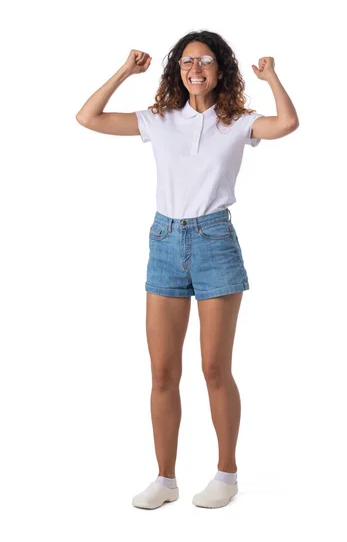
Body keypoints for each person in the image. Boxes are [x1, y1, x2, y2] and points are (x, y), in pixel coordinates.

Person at [76, 30, 299, 509]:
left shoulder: (237, 121)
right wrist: (124, 71)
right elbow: (87, 117)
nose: (195, 68)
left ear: (221, 69)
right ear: (178, 71)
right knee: (161, 372)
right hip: (164, 240)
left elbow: (286, 124)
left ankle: (226, 474)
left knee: (215, 368)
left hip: (214, 241)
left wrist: (272, 76)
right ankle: (165, 479)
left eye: (205, 60)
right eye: (186, 62)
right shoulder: (160, 119)